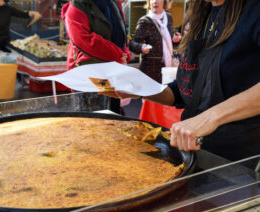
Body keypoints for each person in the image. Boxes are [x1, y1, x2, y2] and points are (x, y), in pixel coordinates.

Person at [100, 0, 260, 161]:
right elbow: (184, 90)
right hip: (191, 151)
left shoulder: (253, 10)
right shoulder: (203, 14)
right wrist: (140, 89)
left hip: (239, 159)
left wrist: (210, 117)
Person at [61, 0, 131, 114]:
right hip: (88, 76)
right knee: (90, 122)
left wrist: (124, 54)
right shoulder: (77, 6)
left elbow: (121, 33)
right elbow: (83, 39)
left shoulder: (112, 3)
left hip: (111, 73)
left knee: (112, 116)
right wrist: (117, 54)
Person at [129, 0, 180, 83]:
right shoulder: (145, 21)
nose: (155, 1)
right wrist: (141, 47)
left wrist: (175, 40)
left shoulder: (169, 18)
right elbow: (132, 44)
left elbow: (168, 43)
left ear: (165, 2)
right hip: (150, 72)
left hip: (167, 70)